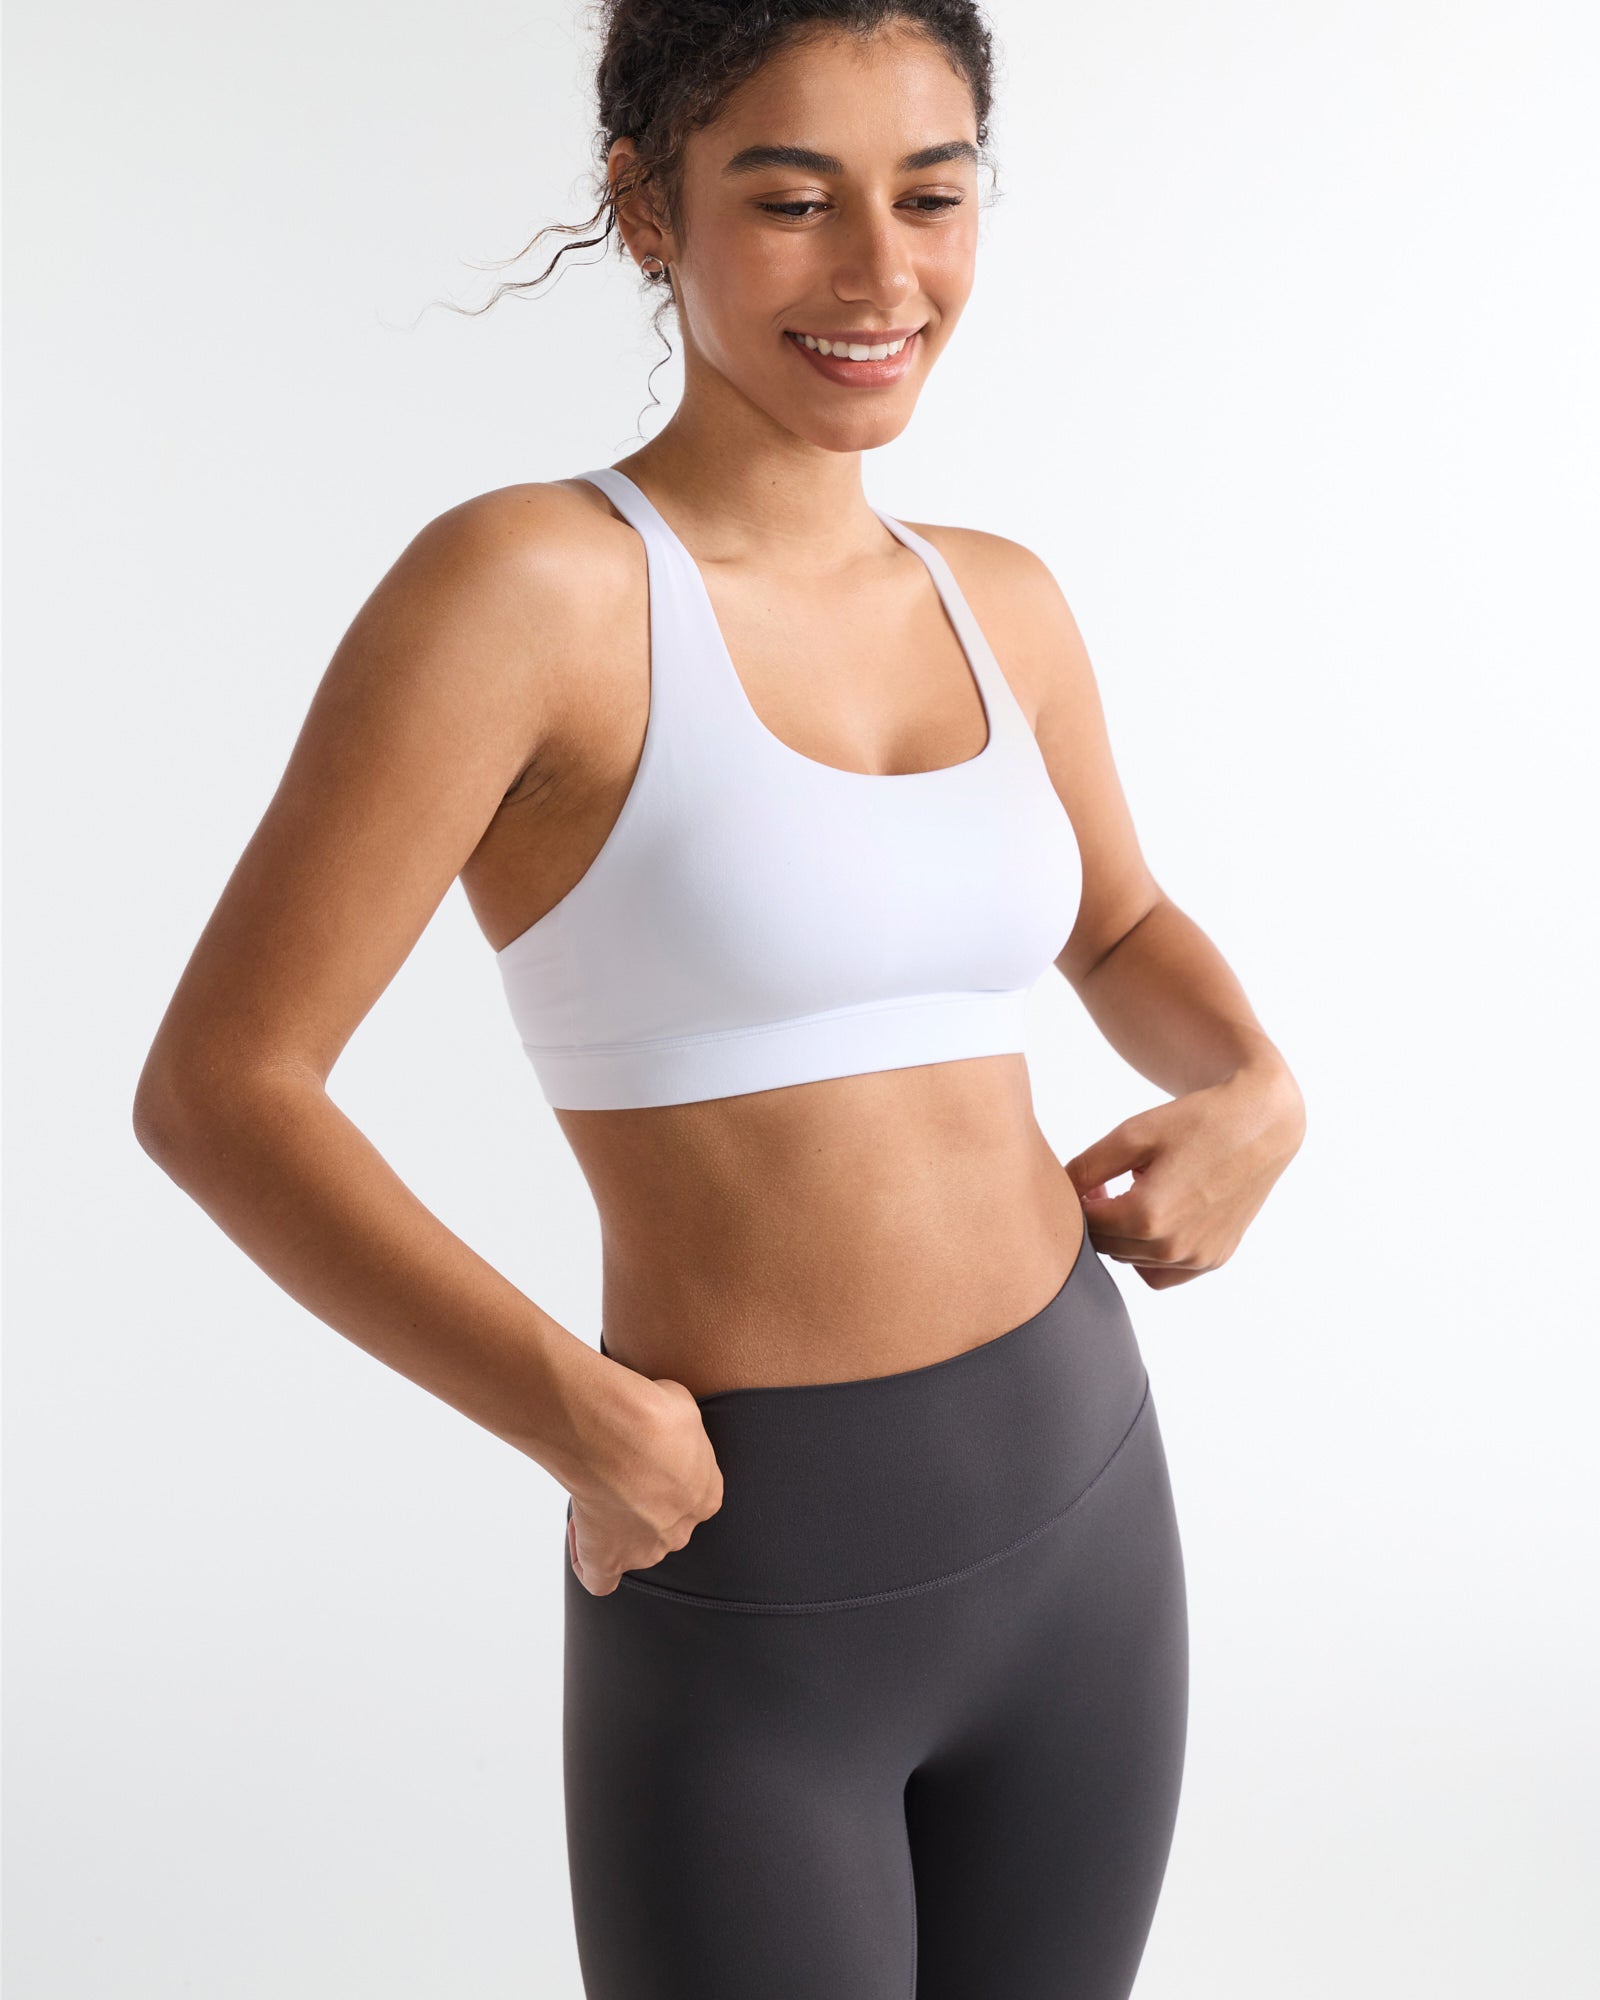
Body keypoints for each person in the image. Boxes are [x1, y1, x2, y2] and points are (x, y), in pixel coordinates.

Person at [133, 2, 1306, 1994]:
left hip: (1086, 1499)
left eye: (930, 197)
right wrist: (569, 1413)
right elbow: (224, 1088)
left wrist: (1256, 1087)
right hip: (746, 1554)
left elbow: (1114, 928)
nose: (879, 274)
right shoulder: (527, 592)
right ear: (645, 206)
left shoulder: (1002, 598)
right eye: (791, 200)